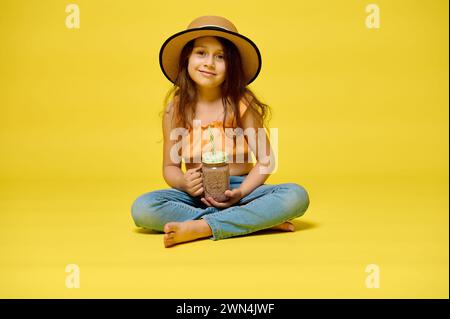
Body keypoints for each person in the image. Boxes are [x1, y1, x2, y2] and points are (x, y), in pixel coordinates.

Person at [131, 15, 310, 248]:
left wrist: (242, 190)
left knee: (295, 196)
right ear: (187, 58)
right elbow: (170, 167)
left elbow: (266, 161)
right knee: (143, 208)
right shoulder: (175, 110)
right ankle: (253, 221)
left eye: (220, 56)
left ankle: (202, 227)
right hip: (196, 196)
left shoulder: (242, 104)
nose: (209, 63)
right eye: (201, 53)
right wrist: (185, 184)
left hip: (241, 193)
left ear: (232, 65)